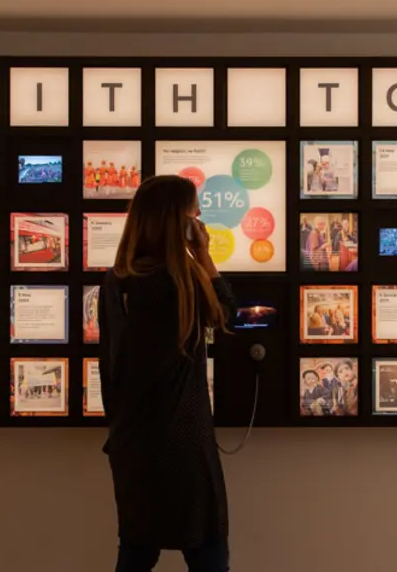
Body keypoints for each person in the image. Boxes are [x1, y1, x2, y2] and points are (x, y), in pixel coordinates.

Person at [98, 174, 238, 572]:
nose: (199, 218)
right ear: (180, 222)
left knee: (137, 550)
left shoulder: (117, 282)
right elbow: (225, 313)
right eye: (194, 211)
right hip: (183, 441)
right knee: (208, 550)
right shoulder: (179, 283)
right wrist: (205, 256)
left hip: (132, 441)